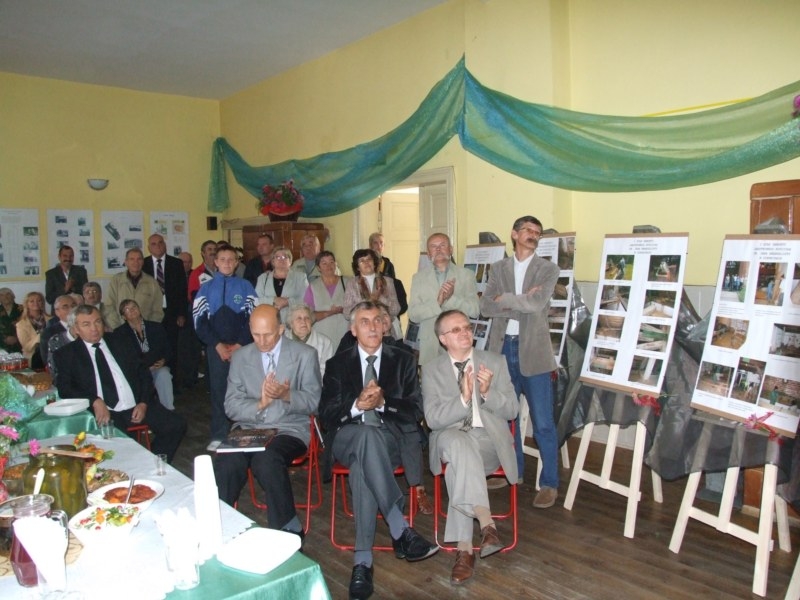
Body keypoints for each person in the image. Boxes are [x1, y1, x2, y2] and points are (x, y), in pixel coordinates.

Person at [319, 300, 438, 600]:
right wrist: (356, 406)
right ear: (353, 329)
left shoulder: (404, 360)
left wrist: (384, 403)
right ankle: (399, 528)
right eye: (364, 322)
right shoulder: (337, 364)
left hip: (390, 439)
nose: (372, 327)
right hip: (347, 435)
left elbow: (415, 411)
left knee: (364, 459)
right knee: (363, 437)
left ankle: (362, 562)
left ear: (386, 326)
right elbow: (327, 416)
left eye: (377, 321)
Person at [422, 310, 518, 585]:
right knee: (457, 442)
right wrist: (463, 399)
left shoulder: (495, 361)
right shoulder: (431, 370)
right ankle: (486, 524)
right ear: (442, 339)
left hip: (487, 442)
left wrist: (487, 393)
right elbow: (433, 419)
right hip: (449, 436)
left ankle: (464, 550)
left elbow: (512, 410)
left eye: (467, 327)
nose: (465, 332)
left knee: (458, 465)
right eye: (456, 330)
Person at [215, 305, 321, 540]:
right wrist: (260, 404)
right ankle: (217, 524)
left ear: (281, 329)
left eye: (268, 334)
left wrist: (287, 395)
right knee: (227, 462)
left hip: (288, 428)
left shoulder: (304, 354)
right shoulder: (241, 357)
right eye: (256, 335)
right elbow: (231, 406)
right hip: (249, 426)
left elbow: (314, 402)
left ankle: (288, 530)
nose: (261, 341)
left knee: (267, 460)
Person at [479, 215, 560, 509]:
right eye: (528, 230)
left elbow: (536, 304)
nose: (534, 235)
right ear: (514, 234)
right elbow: (485, 307)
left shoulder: (548, 269)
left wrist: (505, 299)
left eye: (538, 232)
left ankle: (549, 483)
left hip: (535, 353)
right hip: (503, 350)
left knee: (543, 423)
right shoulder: (498, 268)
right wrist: (520, 300)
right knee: (507, 417)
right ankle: (513, 472)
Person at [53, 305, 186, 462]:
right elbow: (65, 388)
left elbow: (143, 374)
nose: (94, 329)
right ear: (76, 329)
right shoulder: (66, 354)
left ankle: (153, 463)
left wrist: (143, 402)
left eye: (97, 322)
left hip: (136, 404)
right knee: (122, 448)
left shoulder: (121, 341)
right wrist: (94, 400)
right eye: (86, 324)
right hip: (107, 412)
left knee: (176, 425)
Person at [193, 244, 258, 451]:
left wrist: (240, 343)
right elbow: (199, 322)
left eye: (231, 259)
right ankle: (219, 434)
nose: (227, 263)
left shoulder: (246, 286)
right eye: (222, 259)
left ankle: (245, 431)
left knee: (244, 390)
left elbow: (253, 318)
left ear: (237, 263)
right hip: (216, 349)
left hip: (243, 348)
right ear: (216, 262)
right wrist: (217, 345)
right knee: (219, 390)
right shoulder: (206, 289)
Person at [408, 233, 480, 366]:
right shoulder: (418, 278)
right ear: (428, 254)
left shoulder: (466, 275)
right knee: (430, 380)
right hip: (430, 347)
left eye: (442, 245)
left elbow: (475, 310)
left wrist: (451, 298)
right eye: (433, 246)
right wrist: (438, 303)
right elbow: (413, 315)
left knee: (461, 379)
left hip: (458, 344)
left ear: (451, 249)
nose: (438, 249)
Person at [115, 299, 175, 410]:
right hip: (136, 371)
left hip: (156, 367)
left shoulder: (156, 327)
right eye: (127, 309)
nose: (132, 310)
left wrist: (164, 360)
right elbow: (125, 358)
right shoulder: (120, 333)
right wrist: (145, 367)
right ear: (123, 317)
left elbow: (168, 349)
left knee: (164, 375)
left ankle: (168, 409)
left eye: (134, 307)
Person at [143, 234, 188, 373]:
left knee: (172, 346)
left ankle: (173, 379)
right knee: (153, 346)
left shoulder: (176, 263)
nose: (158, 246)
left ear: (165, 244)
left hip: (171, 313)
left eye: (160, 242)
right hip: (150, 313)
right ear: (149, 248)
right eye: (154, 244)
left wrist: (181, 314)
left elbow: (182, 290)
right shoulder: (143, 264)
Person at [343, 249, 401, 338]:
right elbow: (346, 313)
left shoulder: (388, 281)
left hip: (384, 332)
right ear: (357, 267)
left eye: (369, 259)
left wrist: (380, 299)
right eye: (362, 261)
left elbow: (396, 309)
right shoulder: (352, 283)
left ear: (374, 263)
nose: (366, 262)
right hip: (360, 333)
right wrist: (369, 300)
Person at [104, 248, 164, 329]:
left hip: (145, 330)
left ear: (143, 262)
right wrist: (118, 328)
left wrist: (149, 328)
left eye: (139, 259)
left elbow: (157, 310)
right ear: (126, 262)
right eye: (132, 259)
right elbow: (109, 307)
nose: (136, 262)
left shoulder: (152, 282)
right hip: (121, 329)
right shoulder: (116, 281)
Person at [303, 250, 349, 346]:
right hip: (322, 335)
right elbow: (309, 315)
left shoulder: (348, 282)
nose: (329, 266)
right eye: (324, 263)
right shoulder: (313, 286)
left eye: (331, 262)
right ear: (318, 268)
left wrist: (344, 309)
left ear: (335, 264)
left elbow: (357, 308)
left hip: (345, 333)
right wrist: (330, 312)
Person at [254, 247, 308, 322]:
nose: (281, 259)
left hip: (294, 321)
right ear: (273, 261)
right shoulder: (263, 278)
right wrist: (274, 300)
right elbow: (256, 300)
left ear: (290, 261)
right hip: (269, 321)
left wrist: (288, 302)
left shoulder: (300, 277)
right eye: (278, 257)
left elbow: (306, 299)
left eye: (285, 257)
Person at [283, 304, 333, 378]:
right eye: (299, 318)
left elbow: (325, 373)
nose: (303, 322)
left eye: (307, 318)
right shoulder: (282, 341)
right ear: (291, 324)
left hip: (314, 384)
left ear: (311, 322)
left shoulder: (325, 343)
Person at [45, 246, 88, 312]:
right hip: (59, 313)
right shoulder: (51, 274)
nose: (68, 258)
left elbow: (86, 294)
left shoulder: (81, 272)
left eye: (71, 256)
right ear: (59, 257)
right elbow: (49, 299)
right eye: (65, 256)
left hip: (78, 311)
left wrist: (73, 288)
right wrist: (64, 289)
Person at [39, 294, 77, 368]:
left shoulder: (84, 328)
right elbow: (47, 360)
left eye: (73, 306)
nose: (71, 309)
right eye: (65, 307)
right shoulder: (49, 333)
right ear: (57, 312)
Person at [16, 291, 50, 366]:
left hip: (51, 356)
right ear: (26, 304)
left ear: (43, 303)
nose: (36, 303)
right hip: (33, 358)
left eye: (39, 300)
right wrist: (41, 336)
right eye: (32, 301)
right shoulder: (21, 324)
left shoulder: (51, 319)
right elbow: (26, 347)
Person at [0, 287, 22, 353]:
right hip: (1, 346)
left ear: (13, 296)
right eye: (1, 295)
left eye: (8, 294)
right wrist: (4, 339)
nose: (5, 297)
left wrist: (17, 338)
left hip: (21, 345)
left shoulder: (23, 309)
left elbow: (30, 327)